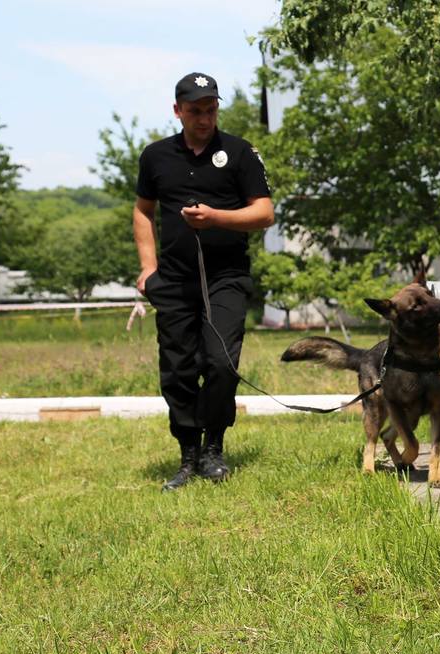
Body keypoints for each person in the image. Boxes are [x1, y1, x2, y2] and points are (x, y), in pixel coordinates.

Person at [133, 72, 274, 491]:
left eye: (211, 110)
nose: (204, 118)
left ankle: (214, 447)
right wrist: (147, 267)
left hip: (226, 278)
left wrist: (215, 218)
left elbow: (264, 213)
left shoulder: (240, 152)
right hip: (174, 280)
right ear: (177, 111)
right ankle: (188, 455)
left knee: (220, 363)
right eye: (195, 111)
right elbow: (143, 211)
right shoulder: (155, 156)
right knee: (178, 370)